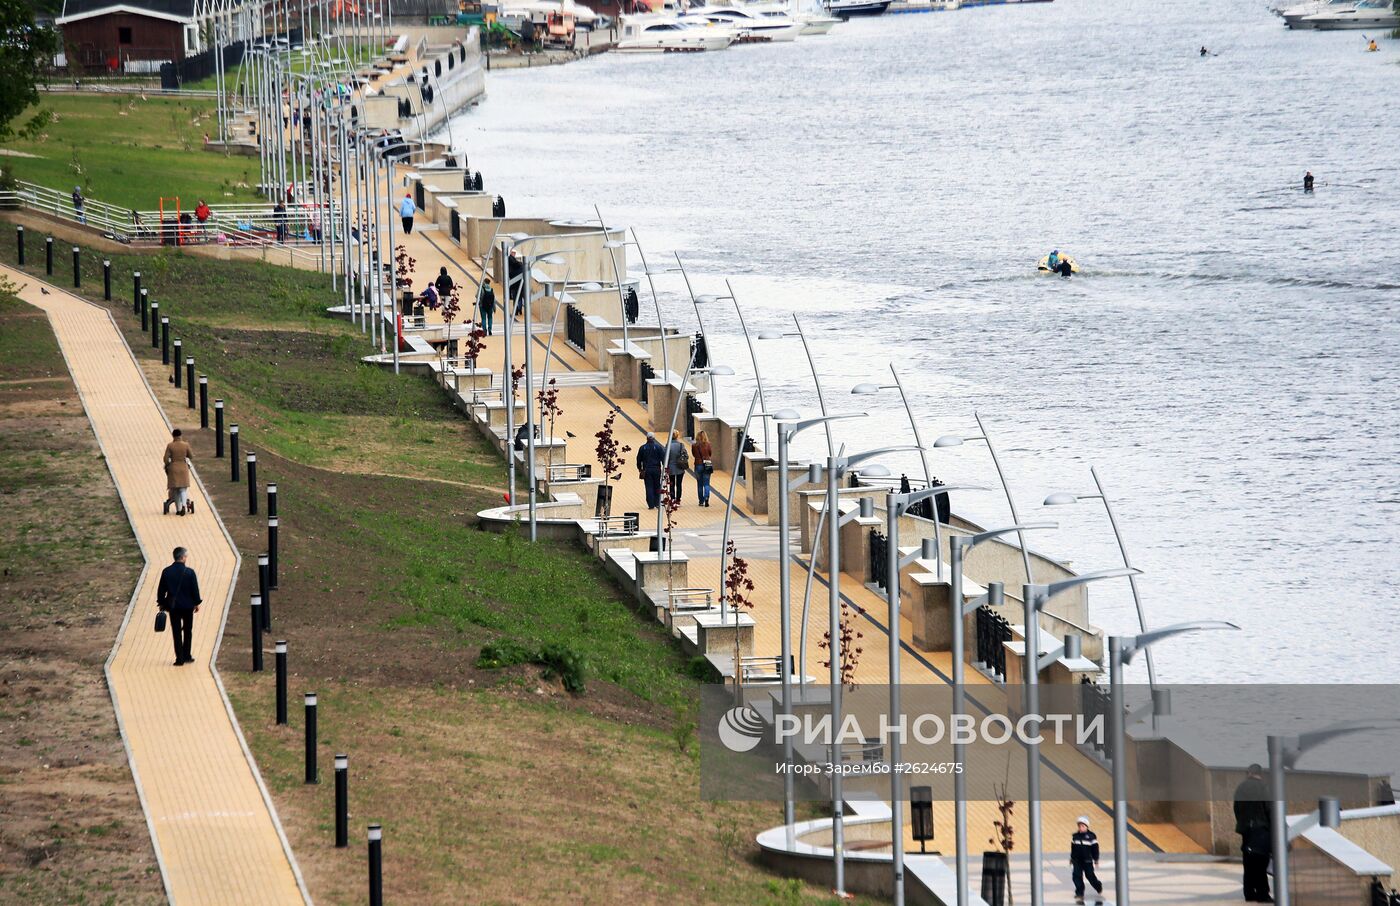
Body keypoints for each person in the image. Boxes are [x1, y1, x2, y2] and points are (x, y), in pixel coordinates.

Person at [156, 546, 203, 666]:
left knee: (176, 632)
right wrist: (196, 603)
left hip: (173, 607)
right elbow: (195, 590)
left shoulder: (166, 571)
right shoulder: (190, 572)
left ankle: (179, 659)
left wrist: (161, 603)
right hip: (188, 607)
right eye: (186, 556)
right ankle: (187, 655)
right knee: (188, 631)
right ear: (182, 557)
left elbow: (161, 590)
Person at [1235, 764, 1273, 902]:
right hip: (1261, 830)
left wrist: (1243, 824)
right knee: (1261, 862)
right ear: (1260, 773)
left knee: (1248, 862)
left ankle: (1249, 893)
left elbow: (1237, 808)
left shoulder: (1241, 788)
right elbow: (1270, 809)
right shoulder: (1264, 788)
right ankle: (1263, 893)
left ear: (1249, 773)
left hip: (1246, 830)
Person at [1069, 816, 1104, 904]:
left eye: (1083, 826)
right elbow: (1073, 849)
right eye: (1079, 826)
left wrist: (1096, 860)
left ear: (1087, 826)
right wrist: (1072, 858)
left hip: (1087, 861)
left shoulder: (1091, 837)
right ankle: (1079, 892)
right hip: (1077, 860)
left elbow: (1095, 849)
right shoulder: (1075, 837)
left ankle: (1098, 886)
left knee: (1090, 876)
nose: (1081, 828)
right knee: (1076, 876)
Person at [163, 429, 194, 516]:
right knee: (183, 489)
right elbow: (191, 456)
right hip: (183, 468)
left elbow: (165, 459)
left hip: (173, 468)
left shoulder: (170, 445)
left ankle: (179, 509)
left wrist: (168, 464)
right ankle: (184, 505)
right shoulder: (185, 445)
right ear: (181, 435)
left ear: (173, 436)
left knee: (175, 489)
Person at [636, 432, 665, 509]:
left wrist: (640, 469)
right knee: (657, 486)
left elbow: (639, 459)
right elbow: (663, 458)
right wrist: (664, 467)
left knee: (649, 487)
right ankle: (657, 503)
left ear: (647, 438)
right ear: (654, 438)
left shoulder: (643, 448)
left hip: (647, 470)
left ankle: (651, 504)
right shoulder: (658, 447)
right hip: (656, 469)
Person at [692, 429, 713, 507]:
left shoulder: (694, 445)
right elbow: (710, 453)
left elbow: (694, 454)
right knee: (707, 483)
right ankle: (707, 497)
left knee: (699, 484)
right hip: (707, 464)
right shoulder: (708, 444)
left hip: (698, 465)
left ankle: (701, 501)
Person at [666, 429, 687, 504]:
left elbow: (666, 457)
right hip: (680, 467)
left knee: (671, 483)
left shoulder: (668, 445)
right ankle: (678, 499)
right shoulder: (681, 445)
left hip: (671, 467)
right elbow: (686, 455)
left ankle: (672, 498)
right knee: (679, 484)